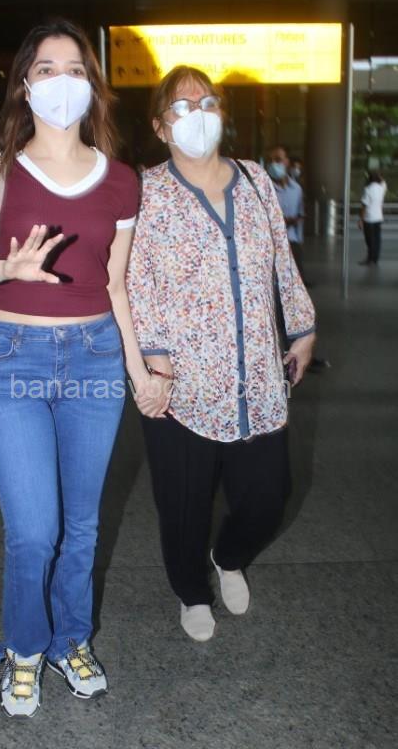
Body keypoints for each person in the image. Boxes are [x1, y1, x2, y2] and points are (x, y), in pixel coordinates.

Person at [0, 19, 155, 717]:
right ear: (24, 86)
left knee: (83, 526)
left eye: (75, 69)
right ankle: (26, 647)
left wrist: (138, 371)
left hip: (94, 359)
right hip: (11, 360)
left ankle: (70, 640)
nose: (62, 81)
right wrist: (7, 268)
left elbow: (117, 285)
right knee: (34, 530)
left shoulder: (120, 181)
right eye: (46, 69)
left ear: (93, 86)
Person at [126, 66, 316, 643]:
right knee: (183, 507)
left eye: (207, 102)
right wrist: (155, 363)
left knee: (269, 497)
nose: (198, 114)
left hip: (256, 375)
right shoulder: (146, 191)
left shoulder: (255, 179)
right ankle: (191, 590)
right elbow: (137, 282)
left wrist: (302, 327)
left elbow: (281, 259)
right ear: (160, 127)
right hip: (179, 382)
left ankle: (228, 555)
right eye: (182, 107)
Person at [267, 145, 306, 282]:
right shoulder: (265, 188)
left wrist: (299, 239)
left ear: (287, 162)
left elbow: (300, 214)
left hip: (292, 242)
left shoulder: (297, 189)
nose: (273, 164)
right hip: (271, 244)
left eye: (278, 160)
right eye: (270, 160)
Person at [358, 170, 387, 265]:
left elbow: (364, 206)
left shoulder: (368, 189)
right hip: (378, 218)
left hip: (369, 218)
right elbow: (383, 182)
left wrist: (361, 220)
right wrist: (379, 176)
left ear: (369, 179)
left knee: (369, 240)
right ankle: (375, 259)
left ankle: (370, 259)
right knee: (377, 239)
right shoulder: (381, 188)